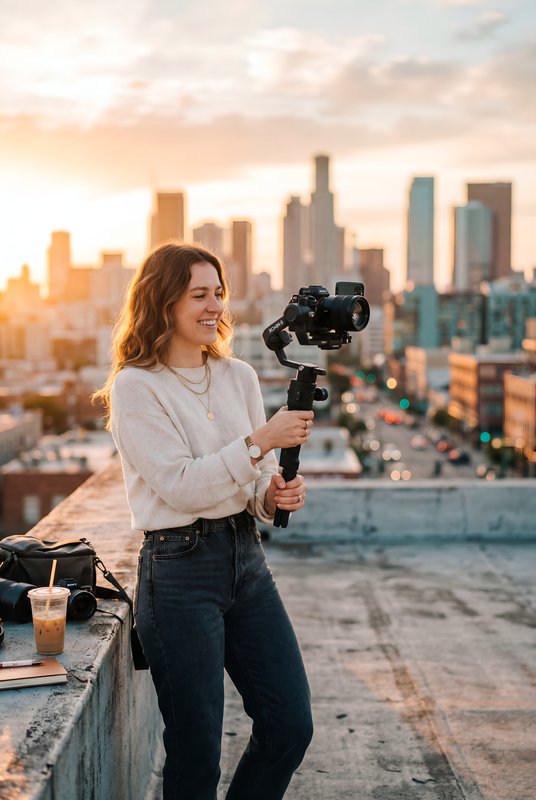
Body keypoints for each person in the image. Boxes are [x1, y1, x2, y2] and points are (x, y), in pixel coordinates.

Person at [94, 242, 314, 800]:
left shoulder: (238, 375)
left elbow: (252, 483)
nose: (214, 305)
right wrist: (264, 439)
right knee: (196, 755)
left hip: (246, 560)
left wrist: (275, 496)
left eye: (218, 292)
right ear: (162, 301)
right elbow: (183, 485)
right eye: (198, 294)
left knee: (290, 724)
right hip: (178, 572)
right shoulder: (136, 386)